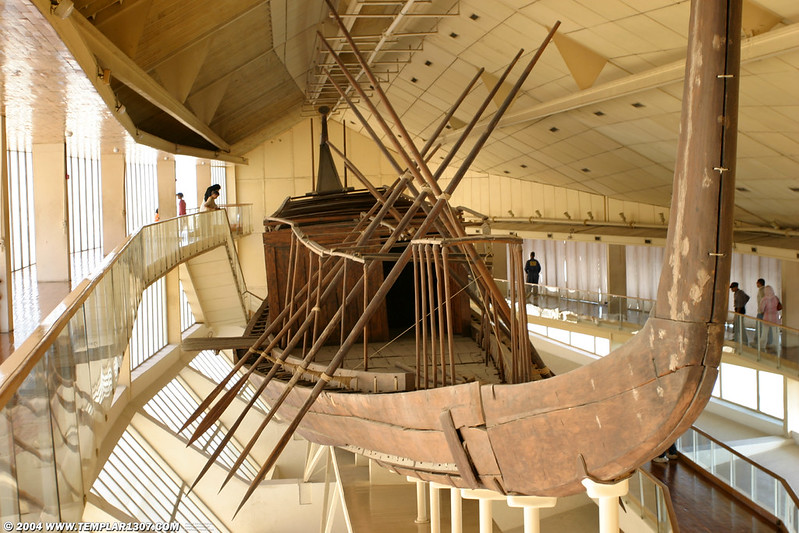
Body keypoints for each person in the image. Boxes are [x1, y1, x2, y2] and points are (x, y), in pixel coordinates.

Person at [758, 285, 780, 352]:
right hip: (775, 318)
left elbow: (761, 309)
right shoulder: (776, 298)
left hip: (766, 318)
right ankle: (776, 347)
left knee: (764, 333)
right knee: (775, 333)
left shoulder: (764, 299)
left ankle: (762, 347)